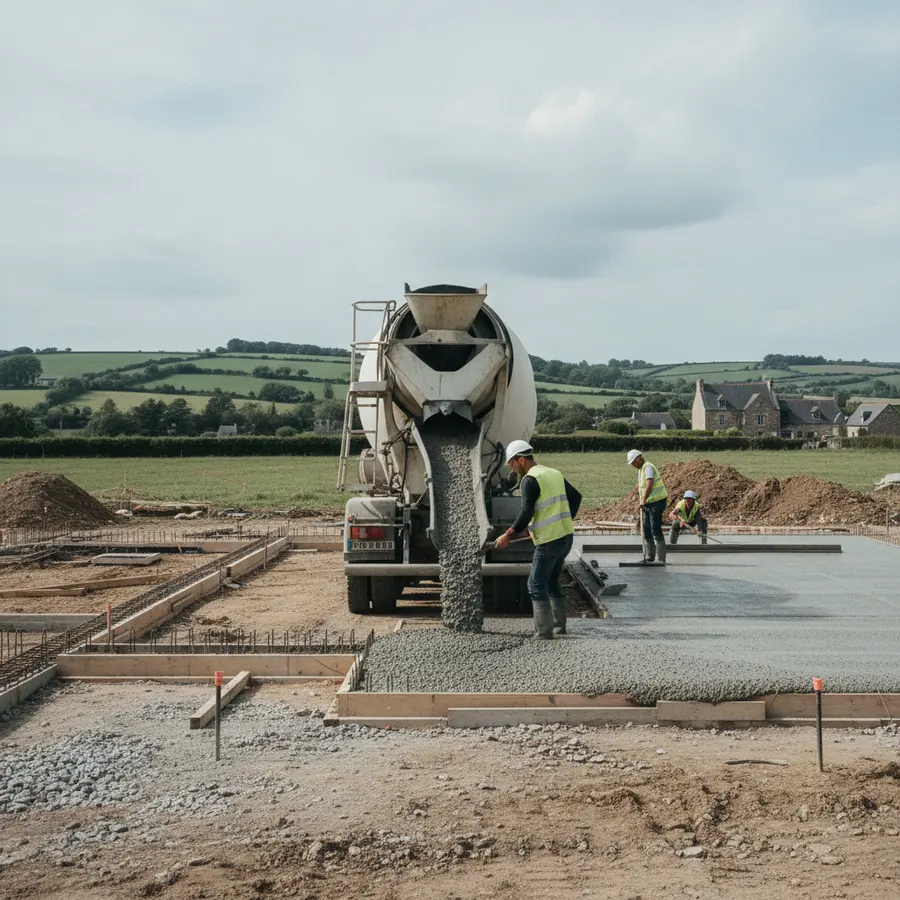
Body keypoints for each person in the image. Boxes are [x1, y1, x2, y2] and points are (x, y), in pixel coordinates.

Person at [493, 440, 582, 638]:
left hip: (550, 541)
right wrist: (565, 519)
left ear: (522, 459)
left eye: (512, 463)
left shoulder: (529, 480)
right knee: (551, 581)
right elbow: (576, 497)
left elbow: (526, 512)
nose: (511, 468)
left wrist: (508, 534)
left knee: (535, 584)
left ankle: (543, 632)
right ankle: (559, 626)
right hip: (566, 537)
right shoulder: (553, 473)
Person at [626, 449, 668, 564]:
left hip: (657, 501)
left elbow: (649, 485)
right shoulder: (641, 470)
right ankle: (650, 557)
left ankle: (661, 559)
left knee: (655, 528)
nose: (634, 465)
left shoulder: (648, 467)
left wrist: (643, 501)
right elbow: (642, 486)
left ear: (639, 458)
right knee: (646, 529)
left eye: (634, 462)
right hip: (648, 503)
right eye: (632, 464)